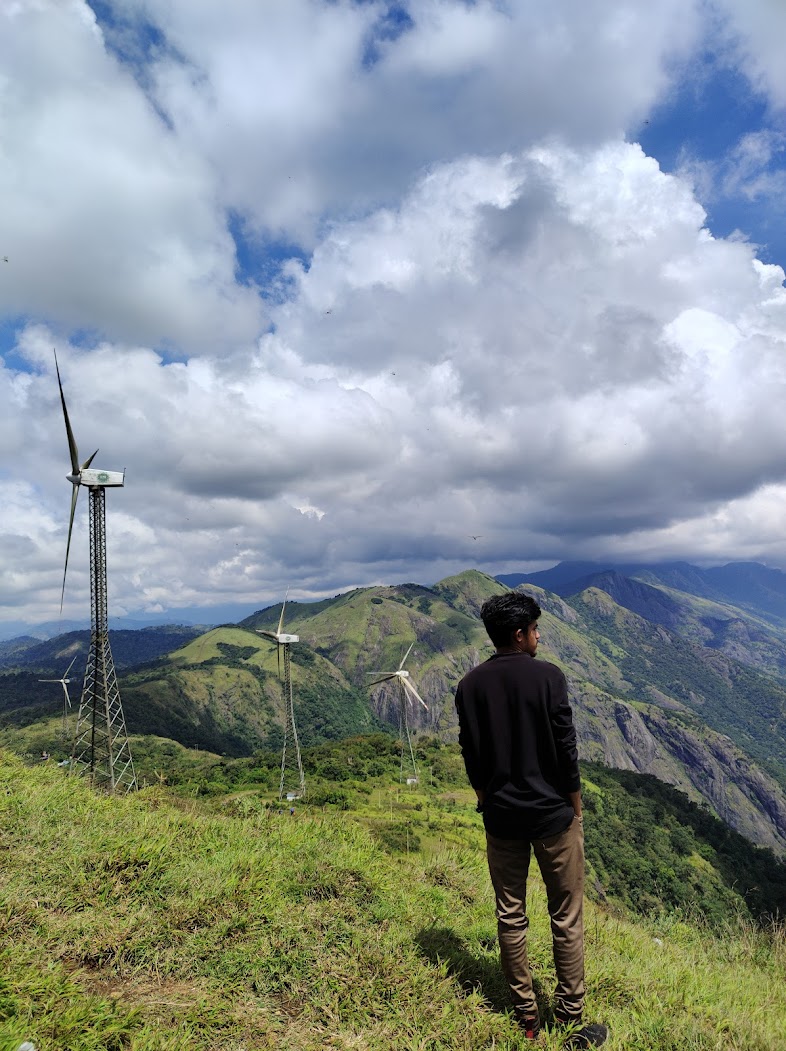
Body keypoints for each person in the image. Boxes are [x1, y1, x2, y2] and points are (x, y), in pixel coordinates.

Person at [454, 592, 607, 1048]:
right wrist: (575, 807)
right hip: (552, 817)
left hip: (501, 819)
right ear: (520, 635)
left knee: (511, 915)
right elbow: (566, 749)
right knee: (566, 916)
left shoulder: (469, 685)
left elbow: (471, 752)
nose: (539, 636)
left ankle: (526, 1017)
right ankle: (571, 1015)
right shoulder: (549, 677)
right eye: (536, 629)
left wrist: (486, 798)